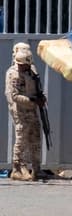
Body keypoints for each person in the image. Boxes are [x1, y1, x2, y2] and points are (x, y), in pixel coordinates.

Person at [5, 42, 44, 181]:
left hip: (32, 109)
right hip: (21, 110)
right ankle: (18, 168)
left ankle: (36, 168)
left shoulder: (32, 70)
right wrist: (32, 101)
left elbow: (36, 87)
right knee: (21, 138)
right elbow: (14, 96)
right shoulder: (13, 74)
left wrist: (40, 97)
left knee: (35, 138)